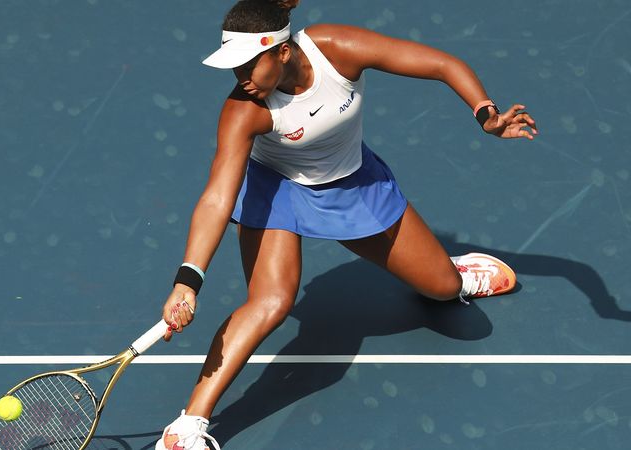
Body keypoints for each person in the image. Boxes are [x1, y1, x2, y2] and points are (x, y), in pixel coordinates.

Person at [155, 1, 538, 448]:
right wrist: (188, 279)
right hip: (276, 190)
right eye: (232, 67)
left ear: (281, 52)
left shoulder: (336, 49)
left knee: (442, 287)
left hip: (353, 184)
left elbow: (440, 63)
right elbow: (218, 196)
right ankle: (185, 428)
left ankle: (454, 273)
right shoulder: (245, 109)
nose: (239, 77)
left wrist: (484, 113)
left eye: (247, 64)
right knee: (271, 301)